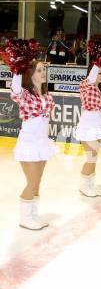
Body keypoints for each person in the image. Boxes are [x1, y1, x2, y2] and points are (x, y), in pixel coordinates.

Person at [10, 62, 56, 230]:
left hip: (42, 143)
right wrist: (17, 68)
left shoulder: (46, 94)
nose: (43, 72)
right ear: (30, 74)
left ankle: (33, 215)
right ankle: (25, 217)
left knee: (37, 182)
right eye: (39, 70)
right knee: (32, 182)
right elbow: (15, 89)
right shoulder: (26, 95)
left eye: (44, 69)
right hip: (29, 143)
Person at [75, 64, 101, 198]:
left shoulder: (98, 89)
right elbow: (91, 77)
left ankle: (90, 185)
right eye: (99, 73)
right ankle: (84, 186)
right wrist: (98, 61)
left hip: (97, 126)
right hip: (88, 127)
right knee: (91, 158)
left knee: (94, 158)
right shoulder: (86, 85)